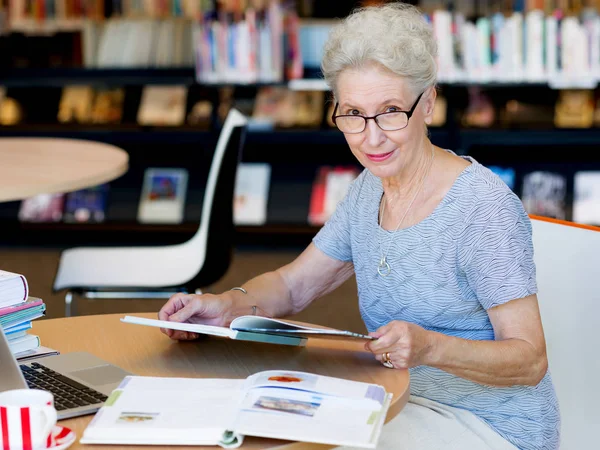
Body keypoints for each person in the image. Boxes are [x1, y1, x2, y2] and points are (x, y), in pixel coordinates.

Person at [158, 3, 560, 449]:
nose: (371, 138)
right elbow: (293, 287)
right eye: (352, 113)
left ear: (427, 101)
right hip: (396, 401)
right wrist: (227, 305)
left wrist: (430, 349)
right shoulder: (369, 189)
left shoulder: (482, 209)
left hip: (489, 427)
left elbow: (530, 360)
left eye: (390, 111)